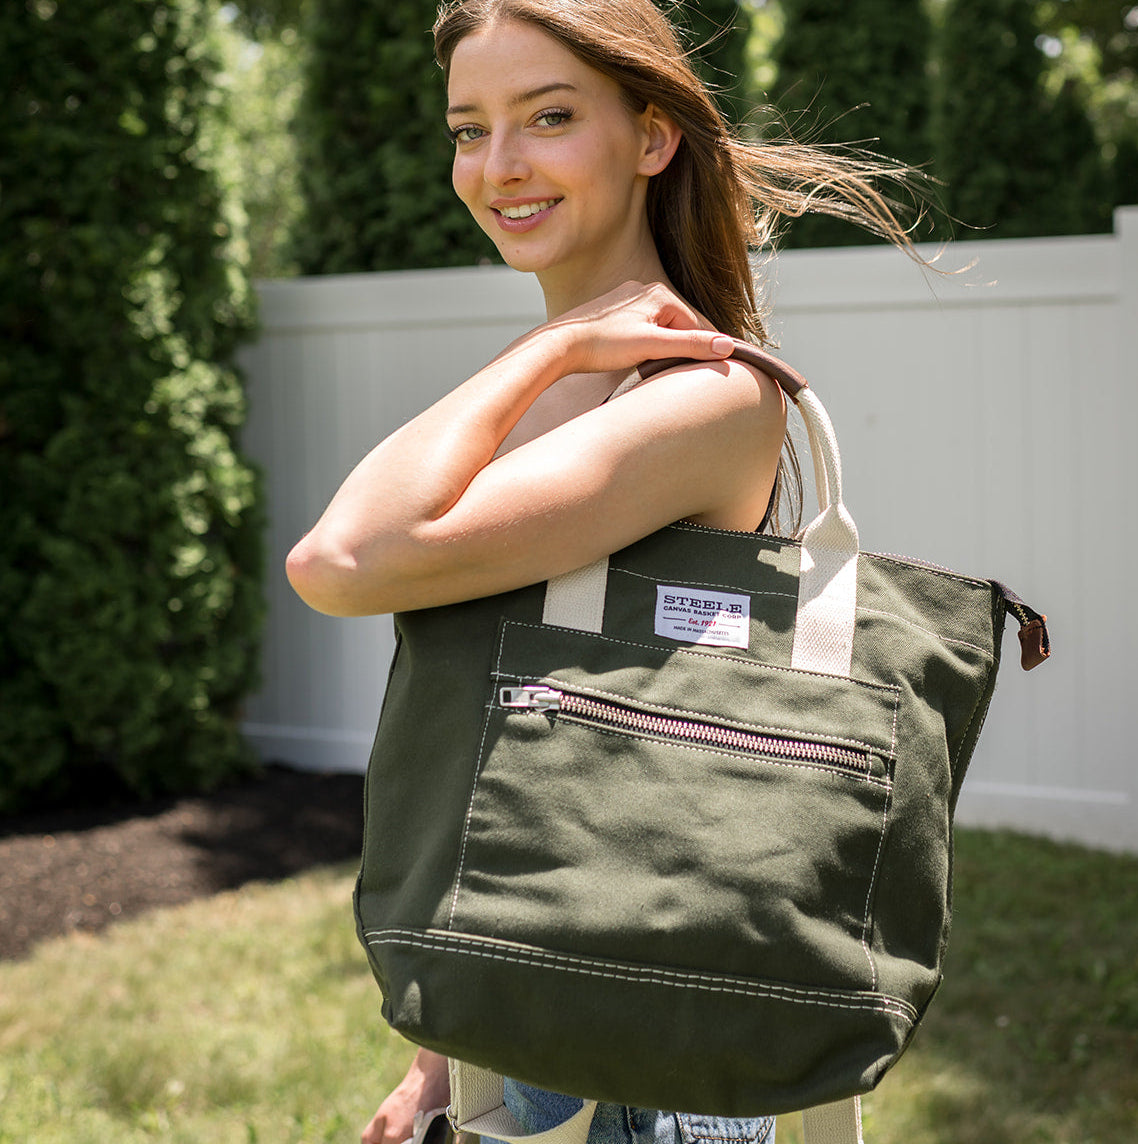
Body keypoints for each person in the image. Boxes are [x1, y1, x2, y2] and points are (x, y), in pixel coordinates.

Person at [284, 2, 925, 1142]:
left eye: (550, 117)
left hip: (645, 1070)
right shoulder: (570, 392)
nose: (499, 165)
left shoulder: (704, 399)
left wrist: (551, 346)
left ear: (651, 136)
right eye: (467, 128)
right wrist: (447, 1060)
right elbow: (555, 752)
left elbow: (340, 559)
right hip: (544, 1021)